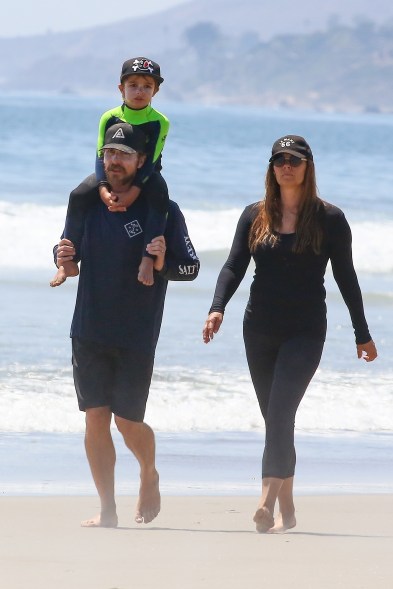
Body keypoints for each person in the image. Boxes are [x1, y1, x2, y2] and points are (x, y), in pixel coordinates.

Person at [202, 135, 377, 534]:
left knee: (280, 412)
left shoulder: (330, 219)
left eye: (294, 160)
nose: (286, 166)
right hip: (258, 328)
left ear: (307, 167)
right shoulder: (255, 215)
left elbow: (346, 277)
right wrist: (217, 308)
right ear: (271, 167)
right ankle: (290, 509)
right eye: (279, 159)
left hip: (305, 331)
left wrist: (361, 333)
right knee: (276, 420)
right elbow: (233, 267)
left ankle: (265, 502)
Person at [53, 122, 199, 527]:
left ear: (140, 161)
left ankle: (148, 473)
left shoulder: (162, 210)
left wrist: (163, 259)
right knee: (95, 417)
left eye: (124, 154)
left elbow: (190, 267)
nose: (115, 161)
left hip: (137, 331)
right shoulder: (87, 201)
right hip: (89, 327)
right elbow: (69, 252)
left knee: (127, 421)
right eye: (110, 154)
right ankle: (107, 509)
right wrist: (61, 256)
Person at [50, 56, 170, 288]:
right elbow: (99, 156)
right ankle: (68, 261)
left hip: (146, 174)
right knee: (78, 195)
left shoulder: (160, 121)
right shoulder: (109, 116)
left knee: (161, 198)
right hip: (110, 173)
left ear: (155, 91)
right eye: (133, 85)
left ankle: (148, 259)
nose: (139, 91)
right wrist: (103, 189)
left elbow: (151, 161)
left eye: (147, 86)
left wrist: (134, 191)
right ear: (121, 88)